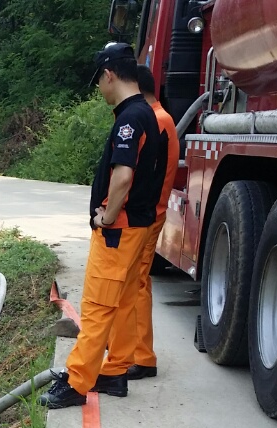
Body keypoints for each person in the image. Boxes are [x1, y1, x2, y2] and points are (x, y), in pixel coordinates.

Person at [40, 42, 169, 409]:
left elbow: (123, 176)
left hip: (119, 231)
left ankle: (78, 382)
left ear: (109, 75)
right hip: (139, 227)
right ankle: (114, 371)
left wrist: (106, 216)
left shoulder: (129, 120)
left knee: (97, 307)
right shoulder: (147, 113)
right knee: (125, 302)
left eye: (98, 80)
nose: (98, 88)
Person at [99, 64, 181, 383]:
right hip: (150, 214)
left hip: (144, 218)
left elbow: (134, 174)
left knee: (133, 287)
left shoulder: (153, 120)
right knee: (137, 285)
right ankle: (136, 353)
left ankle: (140, 356)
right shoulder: (161, 118)